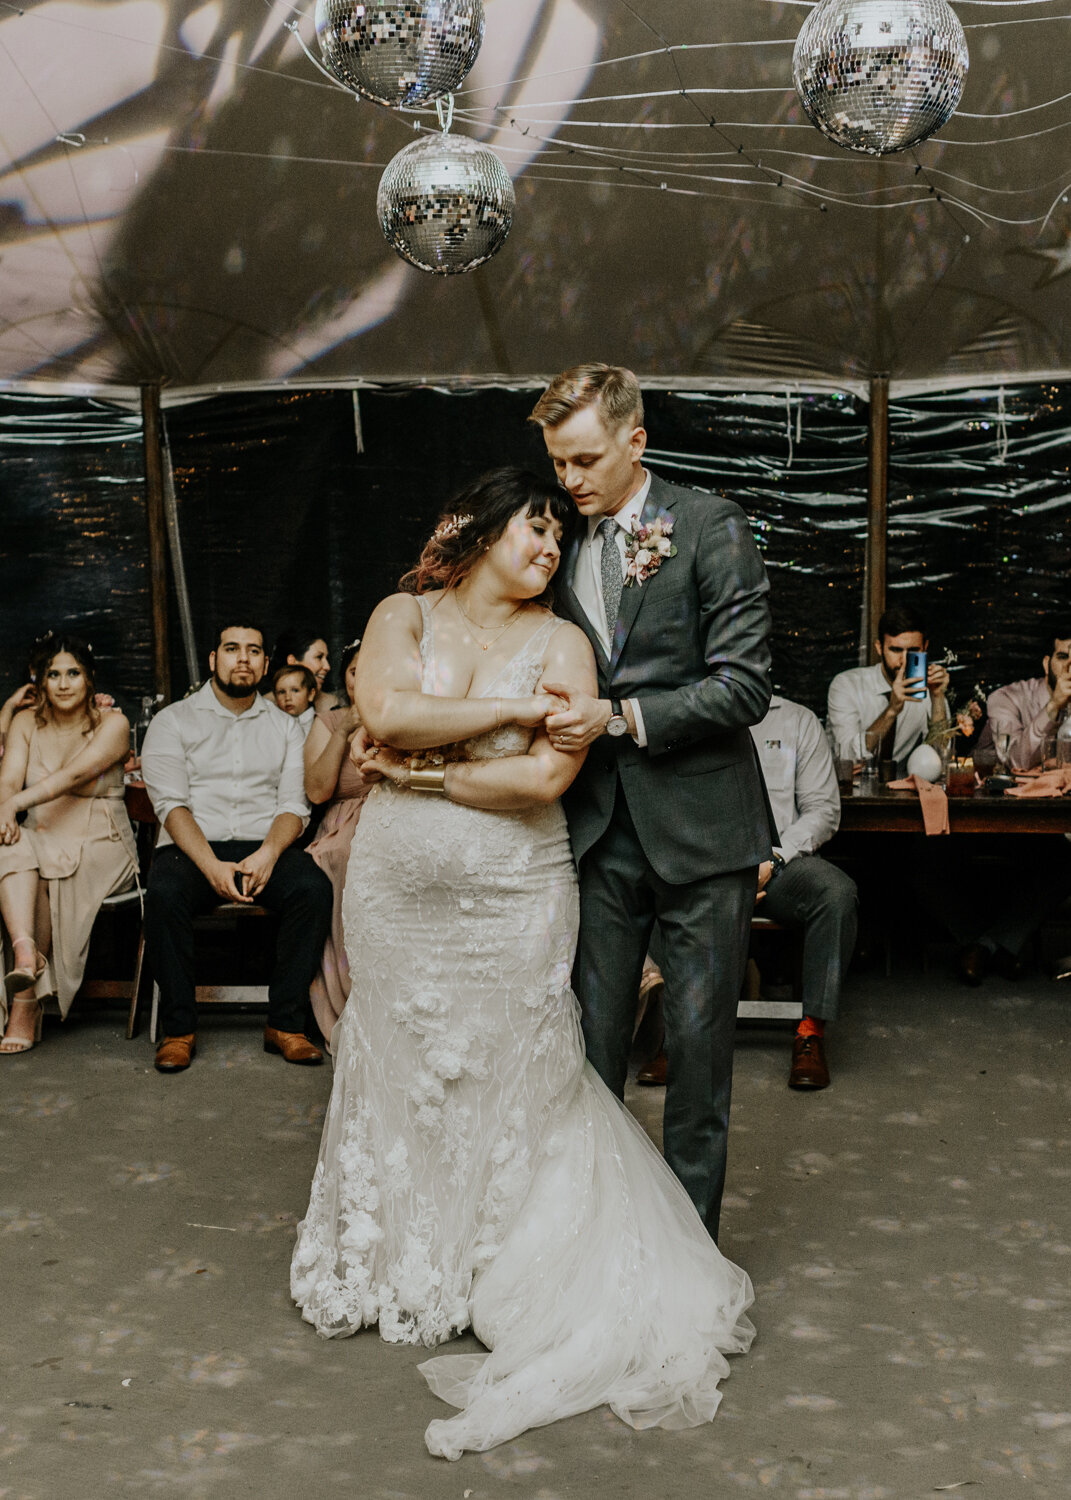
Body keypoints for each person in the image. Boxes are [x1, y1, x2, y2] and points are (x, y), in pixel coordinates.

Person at [290, 469, 755, 1460]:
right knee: (400, 1052)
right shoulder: (401, 615)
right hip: (396, 894)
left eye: (557, 535)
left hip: (517, 889)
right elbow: (383, 710)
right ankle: (406, 1262)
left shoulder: (565, 642)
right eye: (535, 528)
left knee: (515, 1064)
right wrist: (462, 727)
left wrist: (422, 767)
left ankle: (502, 1265)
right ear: (480, 532)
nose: (551, 544)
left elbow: (549, 772)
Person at [527, 363, 776, 1243]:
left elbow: (744, 686)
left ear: (636, 441)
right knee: (591, 1052)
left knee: (699, 1058)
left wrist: (620, 718)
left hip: (704, 835)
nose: (569, 481)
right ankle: (598, 1247)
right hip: (597, 833)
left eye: (585, 460)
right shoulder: (560, 542)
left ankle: (690, 1257)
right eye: (558, 463)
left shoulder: (710, 527)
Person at [637, 695, 858, 1092]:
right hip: (702, 862)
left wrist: (772, 859)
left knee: (836, 893)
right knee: (660, 882)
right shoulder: (687, 716)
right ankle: (675, 1037)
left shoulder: (797, 720)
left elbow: (822, 810)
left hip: (777, 861)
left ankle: (811, 1033)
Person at [141, 621, 333, 1073]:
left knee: (312, 888)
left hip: (263, 844)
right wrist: (211, 867)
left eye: (253, 651)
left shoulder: (287, 729)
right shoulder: (173, 720)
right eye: (231, 648)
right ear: (213, 660)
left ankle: (285, 1024)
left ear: (267, 664)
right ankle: (179, 1029)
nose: (242, 658)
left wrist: (268, 854)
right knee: (164, 893)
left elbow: (293, 804)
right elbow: (171, 806)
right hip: (193, 847)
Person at [0, 633, 137, 1054]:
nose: (62, 684)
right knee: (12, 848)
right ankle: (27, 956)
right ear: (39, 681)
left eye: (73, 673)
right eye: (52, 674)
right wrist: (5, 804)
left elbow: (73, 777)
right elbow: (8, 778)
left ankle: (25, 1003)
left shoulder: (113, 724)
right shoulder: (26, 723)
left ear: (89, 678)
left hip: (101, 840)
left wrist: (12, 805)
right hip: (44, 833)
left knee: (34, 860)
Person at [956, 624, 1071, 983]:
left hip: (1044, 823)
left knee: (1064, 863)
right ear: (1046, 662)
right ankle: (1000, 944)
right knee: (924, 858)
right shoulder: (1007, 698)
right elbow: (1017, 760)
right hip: (985, 817)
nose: (1070, 668)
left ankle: (986, 946)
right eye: (1064, 657)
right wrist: (1054, 706)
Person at [303, 638, 370, 1044]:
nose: (363, 679)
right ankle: (343, 997)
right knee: (344, 856)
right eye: (354, 671)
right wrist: (344, 729)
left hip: (394, 812)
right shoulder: (330, 721)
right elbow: (316, 791)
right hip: (342, 822)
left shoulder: (408, 716)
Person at [826, 605, 950, 764]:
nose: (904, 661)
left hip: (899, 785)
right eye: (896, 650)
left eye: (913, 651)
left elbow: (940, 758)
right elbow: (848, 758)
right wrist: (892, 710)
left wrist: (938, 697)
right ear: (879, 648)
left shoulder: (926, 690)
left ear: (925, 648)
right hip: (846, 787)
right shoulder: (847, 685)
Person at [272, 629, 338, 711]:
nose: (327, 667)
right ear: (293, 661)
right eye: (319, 657)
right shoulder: (267, 706)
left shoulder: (335, 704)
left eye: (326, 658)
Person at [272, 663, 318, 737]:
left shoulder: (319, 725)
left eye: (295, 690)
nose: (287, 698)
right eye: (282, 692)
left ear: (310, 694)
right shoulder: (274, 725)